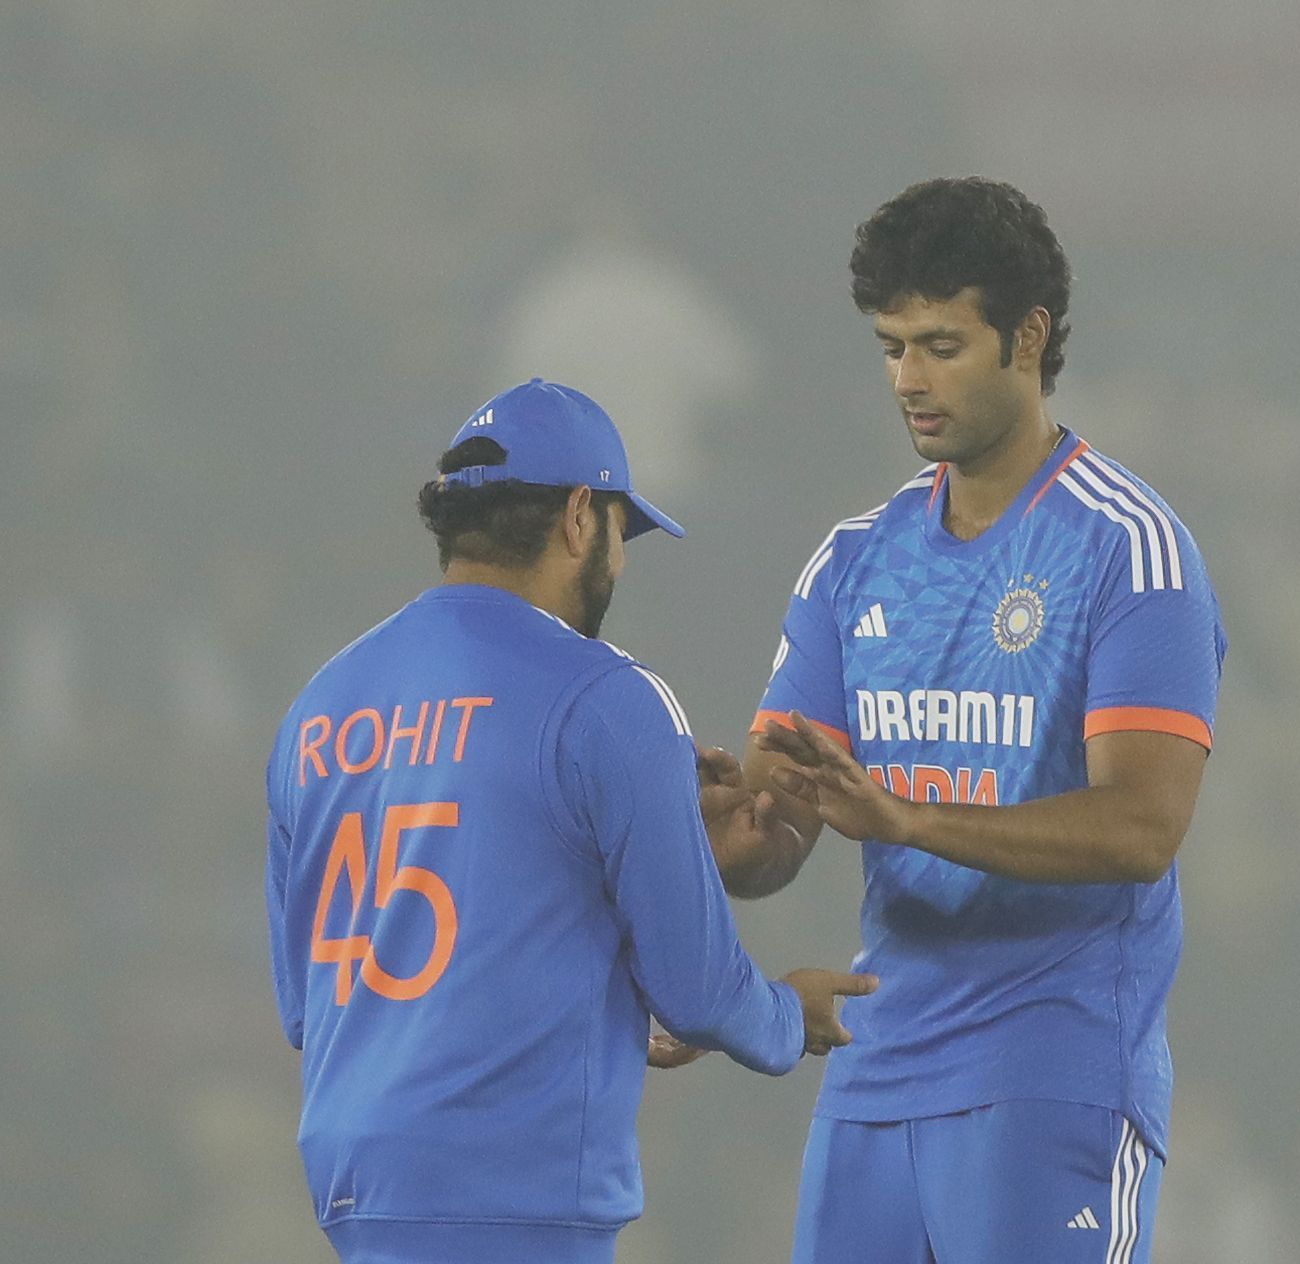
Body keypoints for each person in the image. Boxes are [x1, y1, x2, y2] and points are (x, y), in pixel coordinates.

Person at [722, 178, 1226, 1263]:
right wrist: (726, 828)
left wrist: (904, 818)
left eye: (941, 344)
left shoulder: (1127, 546)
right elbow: (783, 825)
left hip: (1053, 1072)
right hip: (875, 1071)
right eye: (891, 345)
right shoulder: (852, 559)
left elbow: (1142, 827)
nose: (908, 378)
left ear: (1029, 337)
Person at [264, 378, 876, 1264]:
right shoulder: (605, 697)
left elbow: (308, 1003)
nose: (619, 564)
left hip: (360, 1186)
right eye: (624, 535)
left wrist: (607, 987)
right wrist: (790, 1018)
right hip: (513, 1194)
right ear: (581, 516)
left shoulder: (317, 709)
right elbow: (700, 991)